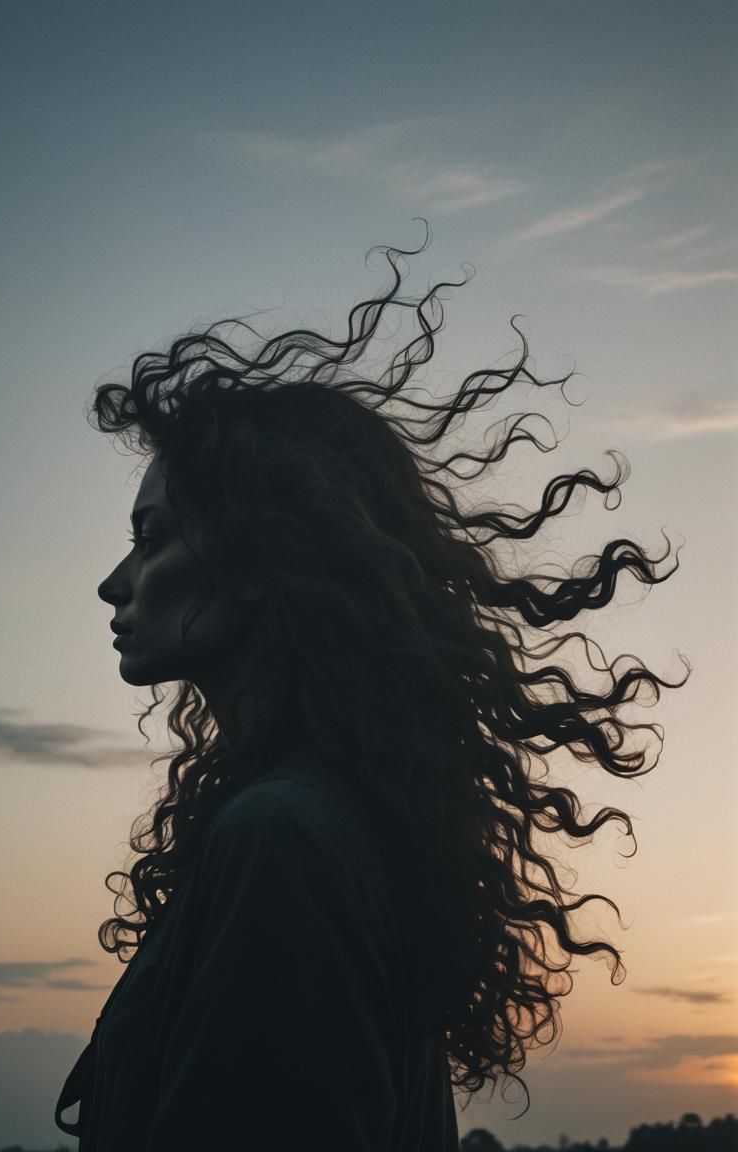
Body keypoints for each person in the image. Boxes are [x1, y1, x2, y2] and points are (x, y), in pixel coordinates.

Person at [55, 231, 686, 1150]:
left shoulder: (282, 836)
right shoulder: (322, 818)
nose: (117, 582)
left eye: (151, 537)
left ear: (259, 558)